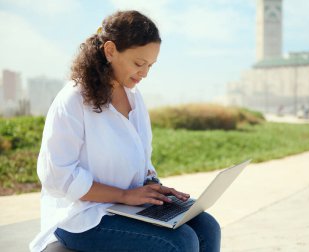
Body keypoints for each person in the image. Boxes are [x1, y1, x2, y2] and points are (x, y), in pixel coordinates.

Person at [29, 10, 221, 252]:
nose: (145, 73)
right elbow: (58, 177)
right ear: (110, 51)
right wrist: (123, 195)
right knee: (181, 242)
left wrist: (153, 186)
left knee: (208, 228)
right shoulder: (73, 99)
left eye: (150, 65)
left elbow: (141, 157)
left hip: (126, 206)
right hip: (83, 216)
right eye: (139, 63)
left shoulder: (134, 97)